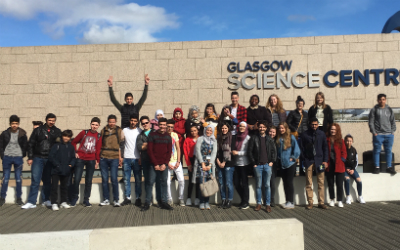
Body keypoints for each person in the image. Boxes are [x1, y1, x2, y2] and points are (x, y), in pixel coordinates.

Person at [22, 113, 62, 209]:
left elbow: (59, 146)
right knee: (35, 180)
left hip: (49, 159)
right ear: (46, 120)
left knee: (47, 180)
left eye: (53, 121)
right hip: (38, 157)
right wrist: (30, 157)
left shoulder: (57, 131)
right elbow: (31, 144)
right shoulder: (38, 130)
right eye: (50, 120)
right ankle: (31, 202)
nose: (51, 122)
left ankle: (46, 200)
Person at [141, 118, 173, 211]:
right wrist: (155, 164)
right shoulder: (153, 135)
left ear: (166, 125)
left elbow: (169, 152)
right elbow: (150, 151)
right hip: (153, 164)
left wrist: (165, 164)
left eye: (164, 125)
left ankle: (164, 202)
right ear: (158, 125)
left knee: (164, 183)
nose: (162, 126)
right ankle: (147, 202)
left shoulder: (168, 137)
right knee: (150, 182)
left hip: (164, 165)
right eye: (161, 124)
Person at [70, 117, 102, 207]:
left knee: (89, 180)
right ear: (90, 124)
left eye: (96, 125)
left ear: (99, 126)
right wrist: (75, 152)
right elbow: (74, 142)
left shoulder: (99, 136)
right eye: (93, 124)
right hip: (80, 159)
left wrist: (97, 161)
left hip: (91, 160)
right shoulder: (84, 133)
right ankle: (74, 198)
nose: (94, 126)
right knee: (76, 179)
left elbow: (98, 150)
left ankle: (86, 199)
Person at [299, 117, 329, 210]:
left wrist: (325, 160)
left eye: (316, 124)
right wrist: (304, 159)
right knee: (309, 183)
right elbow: (301, 148)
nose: (314, 126)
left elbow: (325, 148)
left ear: (318, 124)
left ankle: (321, 202)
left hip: (320, 161)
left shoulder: (322, 134)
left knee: (321, 183)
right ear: (309, 124)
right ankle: (310, 202)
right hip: (309, 161)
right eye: (312, 124)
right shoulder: (304, 135)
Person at [247, 120, 277, 213]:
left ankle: (267, 204)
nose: (262, 128)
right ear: (258, 128)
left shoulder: (269, 139)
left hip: (267, 166)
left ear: (266, 128)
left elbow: (274, 151)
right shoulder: (254, 138)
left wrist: (272, 161)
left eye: (263, 127)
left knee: (267, 185)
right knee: (258, 185)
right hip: (258, 166)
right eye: (260, 127)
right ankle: (259, 203)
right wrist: (254, 163)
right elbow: (250, 152)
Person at [0, 115, 29, 206]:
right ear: (10, 124)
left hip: (18, 158)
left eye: (16, 123)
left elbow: (25, 146)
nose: (14, 125)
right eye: (13, 123)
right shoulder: (5, 133)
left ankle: (19, 198)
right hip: (7, 157)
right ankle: (2, 198)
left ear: (18, 124)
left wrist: (22, 155)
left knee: (18, 179)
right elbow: (0, 146)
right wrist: (3, 156)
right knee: (5, 179)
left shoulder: (22, 134)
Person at [369, 93, 396, 175]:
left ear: (385, 100)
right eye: (380, 99)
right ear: (377, 100)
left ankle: (389, 167)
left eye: (383, 99)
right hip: (378, 135)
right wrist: (374, 132)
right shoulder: (374, 110)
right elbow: (371, 122)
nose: (382, 101)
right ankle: (377, 167)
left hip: (389, 134)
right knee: (377, 151)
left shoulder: (389, 109)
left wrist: (393, 131)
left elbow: (393, 121)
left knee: (388, 151)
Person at [49, 130, 76, 211]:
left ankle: (63, 202)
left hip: (66, 170)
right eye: (65, 136)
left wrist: (70, 165)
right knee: (54, 186)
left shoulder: (71, 147)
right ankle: (54, 203)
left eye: (68, 136)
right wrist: (57, 165)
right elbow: (51, 156)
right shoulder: (56, 145)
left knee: (64, 187)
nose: (66, 138)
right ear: (62, 136)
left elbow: (73, 158)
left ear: (70, 138)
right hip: (56, 170)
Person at [99, 115, 123, 207]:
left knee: (114, 179)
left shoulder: (119, 131)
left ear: (116, 122)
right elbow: (100, 143)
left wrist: (121, 157)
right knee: (104, 179)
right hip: (103, 157)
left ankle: (116, 200)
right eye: (110, 122)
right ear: (107, 122)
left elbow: (121, 145)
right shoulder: (103, 130)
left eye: (113, 122)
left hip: (114, 158)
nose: (111, 123)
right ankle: (106, 199)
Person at [136, 116, 160, 205]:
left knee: (156, 180)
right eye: (143, 123)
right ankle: (148, 199)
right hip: (145, 160)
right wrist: (150, 145)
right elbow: (139, 147)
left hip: (155, 160)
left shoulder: (155, 133)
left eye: (146, 122)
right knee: (147, 180)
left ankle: (158, 199)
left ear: (149, 122)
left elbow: (158, 145)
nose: (145, 124)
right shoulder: (140, 135)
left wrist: (146, 145)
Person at [275, 122, 300, 209]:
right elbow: (278, 152)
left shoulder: (291, 137)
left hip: (290, 164)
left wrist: (292, 157)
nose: (281, 130)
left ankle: (291, 202)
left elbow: (297, 150)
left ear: (286, 128)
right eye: (280, 128)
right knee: (285, 183)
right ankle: (287, 201)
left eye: (282, 128)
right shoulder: (279, 138)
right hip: (282, 165)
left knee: (289, 183)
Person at [193, 125, 218, 210]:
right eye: (208, 130)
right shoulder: (200, 139)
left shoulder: (214, 140)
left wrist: (210, 164)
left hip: (210, 165)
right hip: (201, 165)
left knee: (209, 184)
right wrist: (202, 163)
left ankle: (207, 202)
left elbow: (214, 153)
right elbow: (198, 151)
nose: (209, 132)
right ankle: (201, 202)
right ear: (205, 130)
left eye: (211, 130)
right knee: (202, 184)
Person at [120, 114, 142, 207]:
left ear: (137, 122)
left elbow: (142, 145)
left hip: (137, 159)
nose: (133, 122)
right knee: (126, 179)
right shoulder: (124, 130)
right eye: (132, 120)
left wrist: (141, 157)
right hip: (127, 158)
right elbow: (121, 144)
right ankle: (127, 198)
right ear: (129, 120)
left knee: (138, 179)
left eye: (135, 121)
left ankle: (138, 198)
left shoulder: (140, 131)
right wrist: (120, 157)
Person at [326, 123, 347, 208]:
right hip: (329, 164)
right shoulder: (326, 139)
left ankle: (339, 200)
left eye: (334, 129)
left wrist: (342, 160)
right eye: (331, 129)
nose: (333, 131)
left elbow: (344, 152)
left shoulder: (340, 140)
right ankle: (332, 199)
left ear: (337, 130)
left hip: (339, 165)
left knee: (339, 184)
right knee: (330, 183)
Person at [287, 95, 308, 176]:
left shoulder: (306, 114)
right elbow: (288, 123)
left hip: (304, 136)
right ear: (296, 104)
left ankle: (302, 170)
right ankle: (294, 170)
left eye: (302, 104)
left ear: (303, 105)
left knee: (303, 153)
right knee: (295, 152)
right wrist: (294, 129)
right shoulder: (292, 113)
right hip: (296, 136)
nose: (300, 105)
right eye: (299, 103)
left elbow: (308, 124)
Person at [166, 119, 185, 206]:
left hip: (176, 162)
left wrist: (178, 161)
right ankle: (169, 199)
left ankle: (181, 198)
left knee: (181, 180)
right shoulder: (163, 135)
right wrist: (167, 163)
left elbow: (178, 148)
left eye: (171, 127)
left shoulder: (175, 135)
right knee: (167, 182)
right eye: (168, 127)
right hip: (167, 163)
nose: (170, 128)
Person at [232, 122, 251, 209]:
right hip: (236, 163)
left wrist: (238, 153)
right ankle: (243, 199)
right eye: (240, 126)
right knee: (236, 183)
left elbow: (248, 151)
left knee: (244, 183)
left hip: (244, 164)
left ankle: (245, 202)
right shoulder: (236, 136)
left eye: (244, 126)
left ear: (246, 128)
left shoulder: (248, 138)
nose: (242, 128)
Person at [216, 123, 235, 209]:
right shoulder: (219, 138)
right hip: (219, 163)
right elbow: (216, 151)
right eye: (222, 128)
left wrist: (224, 162)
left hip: (228, 164)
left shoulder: (231, 138)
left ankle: (229, 200)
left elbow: (230, 151)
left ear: (228, 129)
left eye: (225, 128)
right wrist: (218, 161)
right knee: (221, 183)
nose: (224, 130)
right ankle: (223, 200)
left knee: (228, 183)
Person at [344, 134, 365, 204]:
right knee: (347, 179)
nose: (349, 142)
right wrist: (346, 169)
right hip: (344, 169)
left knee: (359, 180)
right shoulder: (342, 149)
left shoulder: (354, 150)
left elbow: (356, 161)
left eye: (350, 141)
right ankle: (347, 197)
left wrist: (353, 169)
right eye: (347, 141)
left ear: (352, 141)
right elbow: (341, 161)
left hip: (352, 169)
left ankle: (360, 196)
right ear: (345, 141)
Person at [183, 125, 200, 206]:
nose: (193, 132)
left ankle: (197, 198)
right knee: (191, 181)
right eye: (192, 131)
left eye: (195, 130)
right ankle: (189, 198)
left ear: (197, 131)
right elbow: (186, 153)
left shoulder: (201, 139)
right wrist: (188, 164)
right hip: (191, 161)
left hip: (199, 161)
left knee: (198, 181)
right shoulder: (187, 140)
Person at [268, 126, 278, 207]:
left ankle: (272, 199)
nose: (272, 133)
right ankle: (266, 199)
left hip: (274, 164)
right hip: (265, 163)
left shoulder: (277, 141)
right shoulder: (266, 140)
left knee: (272, 182)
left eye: (273, 132)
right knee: (265, 183)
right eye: (270, 132)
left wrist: (273, 161)